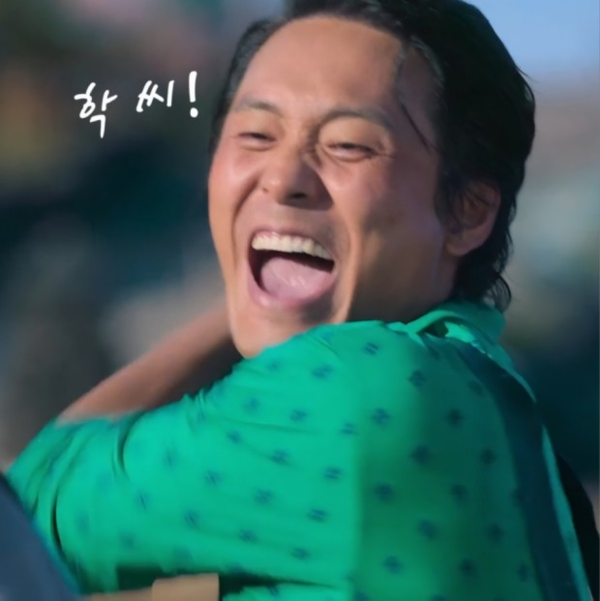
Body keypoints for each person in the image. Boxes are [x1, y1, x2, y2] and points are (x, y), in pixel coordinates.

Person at [6, 1, 594, 599]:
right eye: (256, 135)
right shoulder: (487, 401)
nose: (283, 178)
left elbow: (33, 510)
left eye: (349, 145)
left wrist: (250, 295)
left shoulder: (359, 388)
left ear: (467, 213)